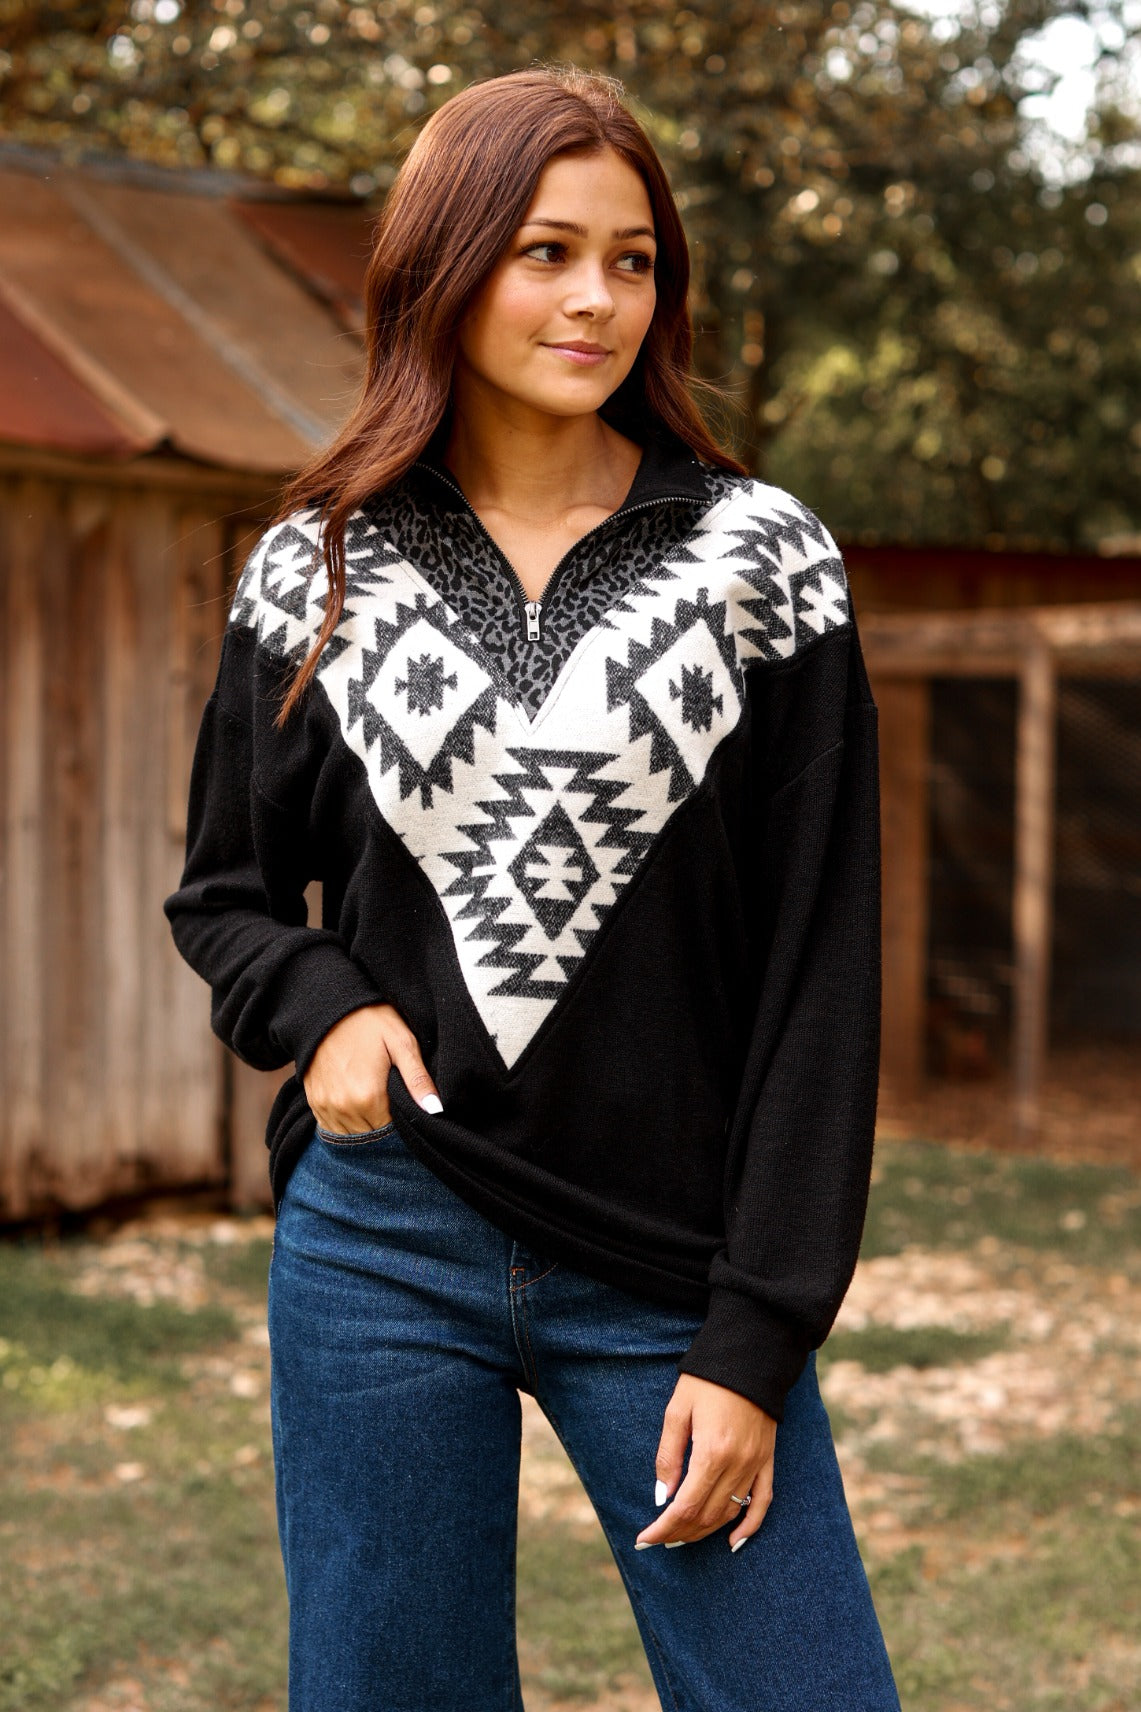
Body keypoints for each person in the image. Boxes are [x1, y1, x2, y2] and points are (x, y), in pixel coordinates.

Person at [165, 65, 900, 1712]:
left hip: (672, 1261)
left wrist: (757, 1328)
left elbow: (821, 969)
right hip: (382, 1240)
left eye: (632, 261)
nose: (595, 300)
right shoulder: (316, 567)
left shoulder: (760, 563)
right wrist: (322, 1005)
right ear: (445, 264)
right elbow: (222, 895)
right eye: (545, 252)